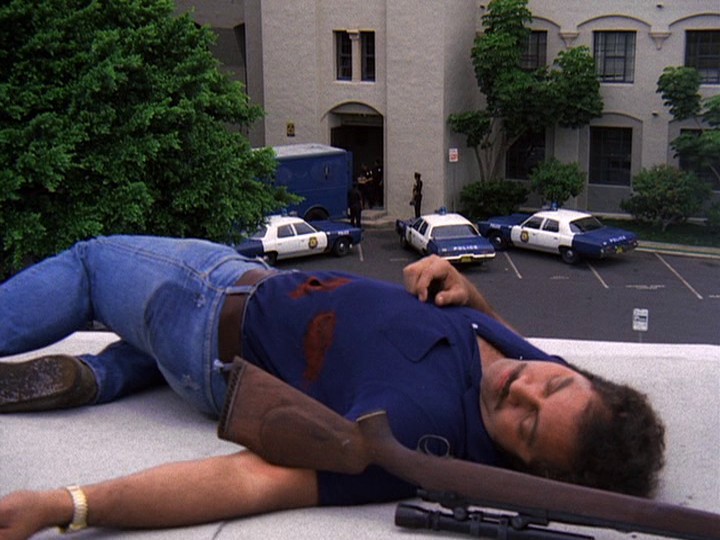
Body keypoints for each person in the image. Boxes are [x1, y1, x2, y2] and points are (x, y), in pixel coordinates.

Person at [0, 236, 664, 538]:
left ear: (523, 466)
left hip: (210, 309)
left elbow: (250, 483)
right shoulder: (535, 369)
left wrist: (66, 504)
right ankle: (105, 375)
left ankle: (142, 352)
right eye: (553, 383)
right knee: (137, 341)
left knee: (91, 266)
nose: (522, 388)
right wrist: (473, 297)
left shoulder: (414, 434)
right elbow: (520, 356)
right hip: (248, 313)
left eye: (527, 423)